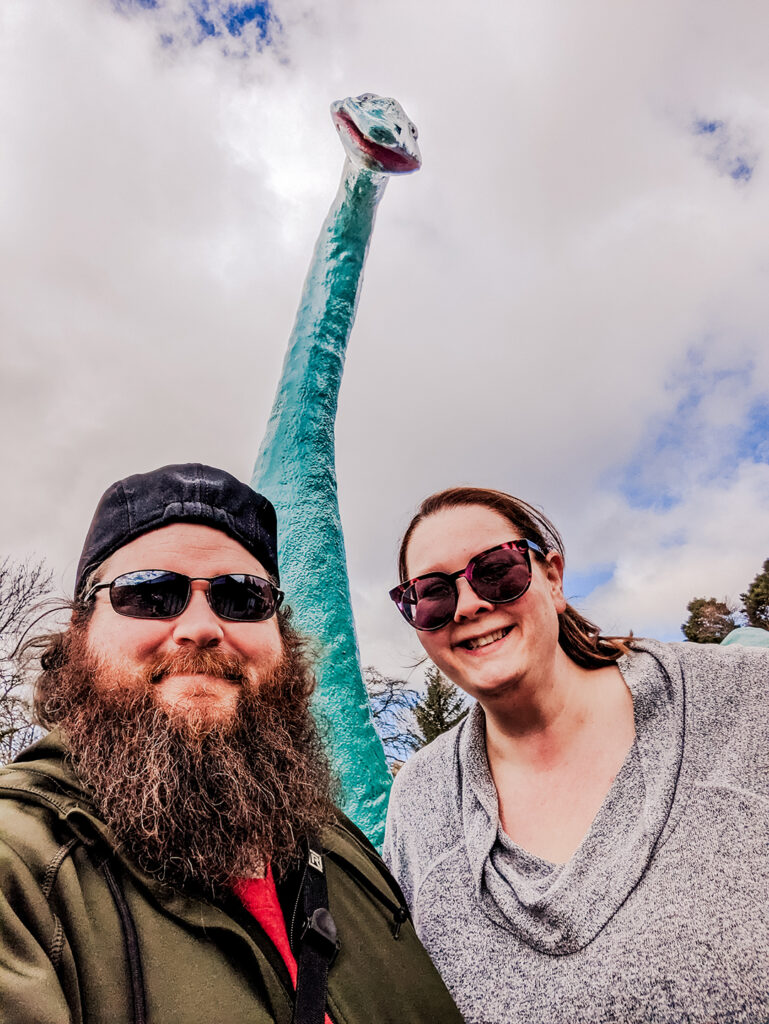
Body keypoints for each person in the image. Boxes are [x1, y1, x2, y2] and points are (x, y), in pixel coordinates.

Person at [0, 463, 463, 1024]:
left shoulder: (345, 850)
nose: (201, 625)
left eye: (242, 598)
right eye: (151, 593)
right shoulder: (18, 870)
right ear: (81, 630)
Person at [383, 485, 769, 1024]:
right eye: (432, 593)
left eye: (495, 570)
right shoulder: (420, 800)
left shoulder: (748, 700)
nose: (469, 605)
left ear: (553, 577)